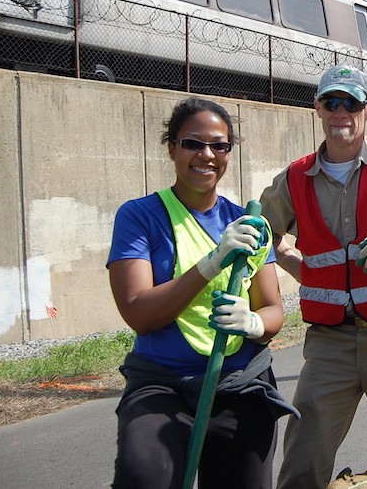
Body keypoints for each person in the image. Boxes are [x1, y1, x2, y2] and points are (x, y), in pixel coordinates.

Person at [107, 97, 297, 489]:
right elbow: (139, 314)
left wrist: (255, 322)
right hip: (163, 384)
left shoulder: (249, 224)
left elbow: (275, 311)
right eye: (193, 143)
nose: (206, 155)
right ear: (172, 147)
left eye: (219, 145)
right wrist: (212, 263)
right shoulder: (139, 216)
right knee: (145, 477)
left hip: (241, 384)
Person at [261, 65, 367, 489]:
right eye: (331, 102)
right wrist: (304, 273)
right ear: (318, 108)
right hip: (329, 344)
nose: (341, 112)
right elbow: (263, 236)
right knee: (303, 457)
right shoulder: (293, 179)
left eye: (352, 103)